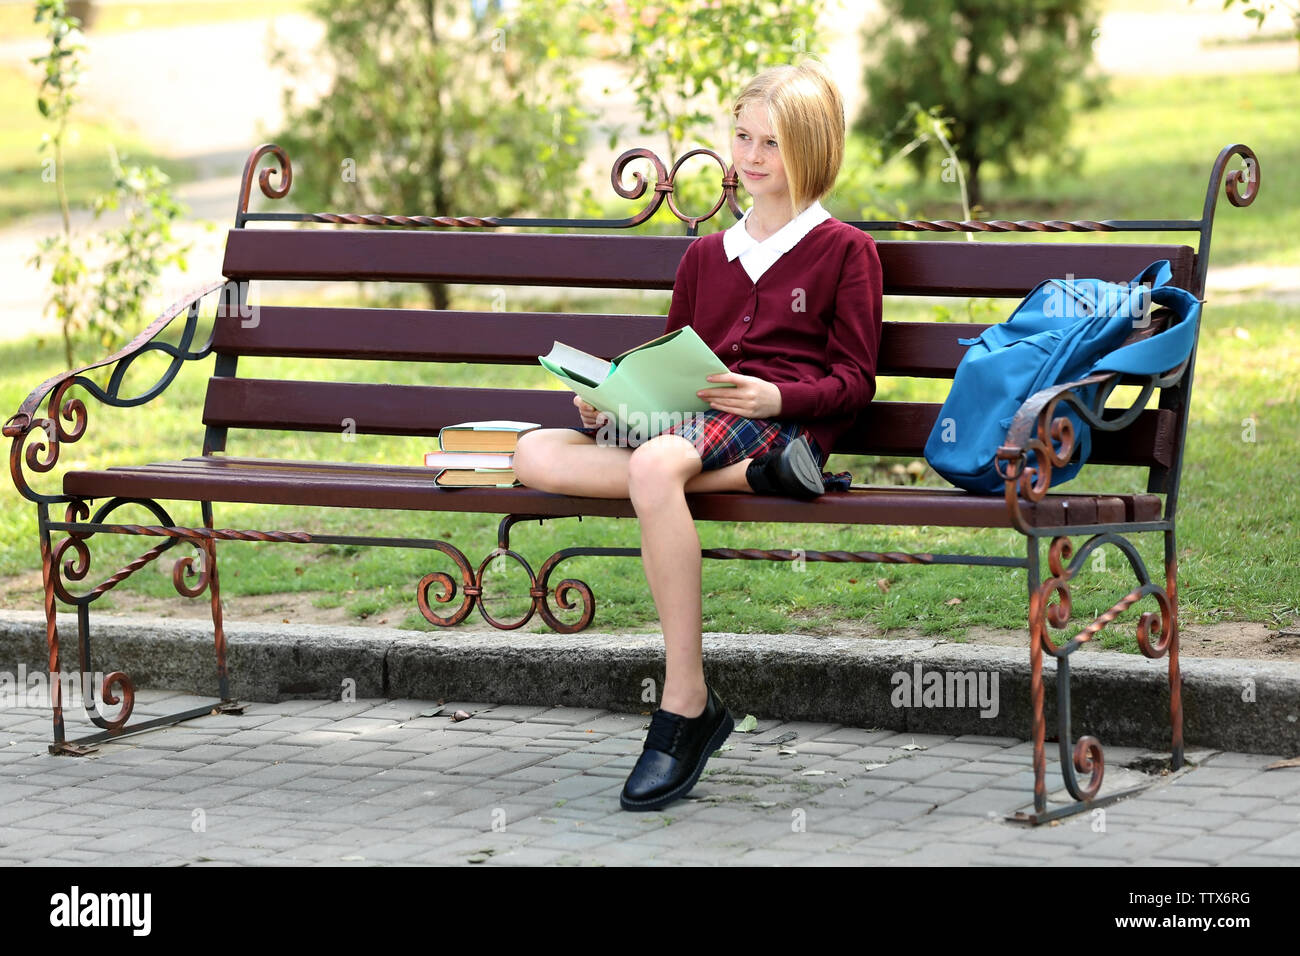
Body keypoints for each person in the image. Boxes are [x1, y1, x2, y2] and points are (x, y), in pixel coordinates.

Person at [512, 57, 883, 811]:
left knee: (654, 470)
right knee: (533, 451)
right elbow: (670, 364)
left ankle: (685, 702)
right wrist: (612, 405)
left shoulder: (845, 251)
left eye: (771, 144)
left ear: (813, 149)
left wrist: (775, 397)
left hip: (770, 422)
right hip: (690, 430)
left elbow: (854, 383)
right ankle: (756, 477)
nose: (749, 158)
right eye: (742, 138)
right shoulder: (706, 255)